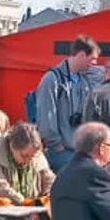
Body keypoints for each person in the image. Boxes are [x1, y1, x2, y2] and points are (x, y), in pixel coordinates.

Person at [35, 35, 100, 173]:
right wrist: (56, 145)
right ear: (82, 55)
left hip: (78, 151)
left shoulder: (84, 80)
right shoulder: (52, 79)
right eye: (92, 59)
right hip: (61, 152)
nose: (94, 63)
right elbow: (46, 115)